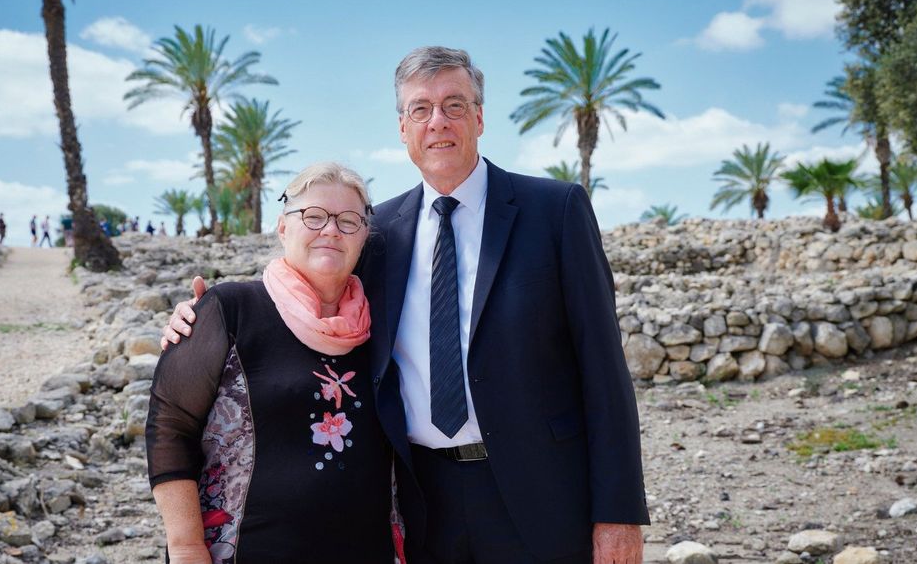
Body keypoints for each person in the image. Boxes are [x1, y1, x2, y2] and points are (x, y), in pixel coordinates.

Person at [162, 47, 648, 564]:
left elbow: (604, 371)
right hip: (420, 501)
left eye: (454, 105)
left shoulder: (555, 211)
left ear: (479, 117)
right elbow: (310, 291)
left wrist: (618, 515)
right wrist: (206, 315)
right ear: (402, 128)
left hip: (543, 496)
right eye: (420, 109)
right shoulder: (379, 235)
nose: (437, 121)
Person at [146, 163, 394, 564]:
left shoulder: (384, 326)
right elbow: (169, 425)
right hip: (245, 550)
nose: (330, 230)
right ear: (282, 227)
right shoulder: (231, 310)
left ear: (364, 237)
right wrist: (186, 546)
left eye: (348, 221)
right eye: (313, 216)